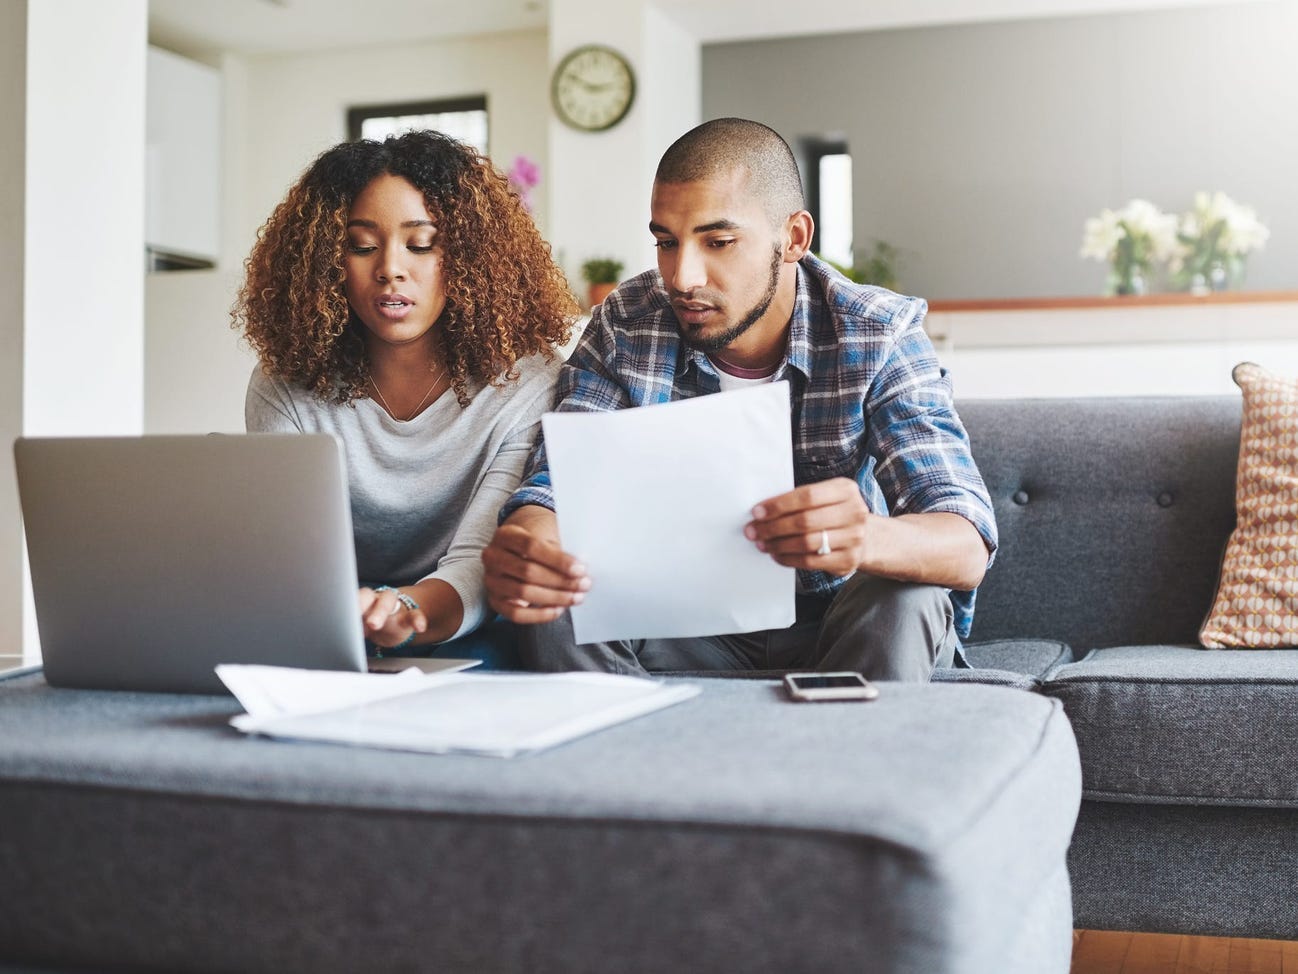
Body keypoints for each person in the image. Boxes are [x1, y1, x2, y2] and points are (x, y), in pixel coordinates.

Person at [481, 117, 997, 681]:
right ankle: (625, 765)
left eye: (719, 242)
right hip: (684, 624)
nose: (683, 276)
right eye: (666, 242)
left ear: (794, 239)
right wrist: (533, 541)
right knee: (559, 598)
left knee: (907, 597)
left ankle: (848, 764)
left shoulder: (876, 333)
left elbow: (964, 542)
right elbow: (557, 486)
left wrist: (866, 537)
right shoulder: (626, 325)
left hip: (839, 623)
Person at [235, 130, 579, 656]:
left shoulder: (524, 382)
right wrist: (348, 615)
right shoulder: (286, 383)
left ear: (468, 258)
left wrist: (404, 611)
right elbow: (281, 554)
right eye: (362, 246)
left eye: (422, 244)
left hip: (464, 625)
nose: (391, 268)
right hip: (328, 622)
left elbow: (479, 563)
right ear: (327, 261)